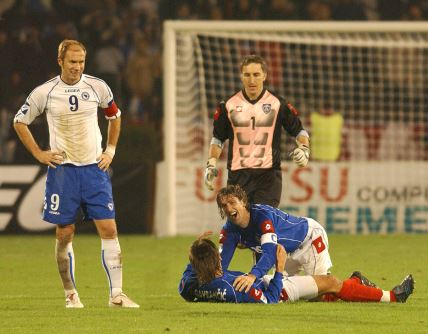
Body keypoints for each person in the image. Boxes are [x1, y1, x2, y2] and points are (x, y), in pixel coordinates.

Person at [13, 39, 139, 309]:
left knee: (109, 228)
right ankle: (71, 294)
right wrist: (39, 153)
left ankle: (116, 294)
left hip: (94, 170)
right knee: (65, 234)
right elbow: (19, 121)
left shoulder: (97, 86)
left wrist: (111, 150)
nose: (77, 67)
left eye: (81, 61)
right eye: (72, 61)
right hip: (63, 173)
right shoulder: (44, 92)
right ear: (60, 61)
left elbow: (114, 116)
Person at [204, 55, 310, 208]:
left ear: (264, 76)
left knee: (263, 224)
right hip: (237, 176)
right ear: (241, 76)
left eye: (256, 74)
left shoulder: (277, 103)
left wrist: (304, 148)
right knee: (239, 227)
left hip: (268, 177)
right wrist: (211, 163)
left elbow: (299, 131)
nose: (251, 80)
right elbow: (218, 139)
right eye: (247, 75)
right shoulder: (227, 105)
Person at [179, 235, 415, 304]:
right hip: (278, 290)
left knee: (323, 293)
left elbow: (186, 279)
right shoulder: (235, 288)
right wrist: (280, 270)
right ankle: (393, 297)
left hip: (264, 283)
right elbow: (269, 301)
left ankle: (355, 283)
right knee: (331, 283)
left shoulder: (191, 285)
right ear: (216, 262)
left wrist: (198, 248)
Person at [216, 184, 332, 292]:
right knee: (281, 293)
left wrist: (252, 275)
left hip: (309, 239)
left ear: (243, 201)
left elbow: (270, 252)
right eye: (224, 205)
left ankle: (348, 285)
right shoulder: (229, 229)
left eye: (232, 202)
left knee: (321, 290)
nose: (229, 208)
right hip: (284, 252)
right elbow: (220, 265)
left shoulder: (262, 217)